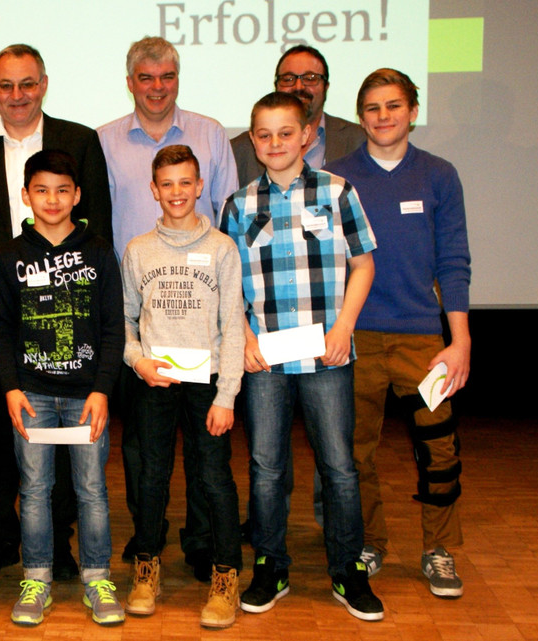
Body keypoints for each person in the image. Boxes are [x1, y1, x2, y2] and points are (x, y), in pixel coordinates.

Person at [0, 43, 112, 580]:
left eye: (27, 83)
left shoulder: (79, 140)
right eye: (5, 85)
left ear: (43, 84)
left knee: (61, 443)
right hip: (0, 318)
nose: (16, 95)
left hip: (66, 321)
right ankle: (1, 534)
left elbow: (99, 224)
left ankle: (57, 542)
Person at [219, 92, 383, 621]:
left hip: (327, 357)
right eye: (264, 135)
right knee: (266, 468)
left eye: (286, 133)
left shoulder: (338, 191)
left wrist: (344, 327)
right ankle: (270, 565)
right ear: (253, 140)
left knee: (339, 467)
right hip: (264, 361)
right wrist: (244, 337)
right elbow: (226, 284)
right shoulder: (239, 205)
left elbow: (363, 265)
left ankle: (347, 569)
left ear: (307, 135)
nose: (275, 143)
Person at [324, 69, 471, 598]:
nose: (383, 116)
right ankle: (369, 543)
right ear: (360, 116)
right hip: (354, 338)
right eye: (372, 107)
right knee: (353, 452)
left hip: (422, 342)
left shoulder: (439, 175)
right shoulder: (334, 178)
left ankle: (439, 549)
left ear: (412, 111)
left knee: (439, 450)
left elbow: (453, 260)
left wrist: (459, 340)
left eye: (393, 106)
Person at [98, 35, 237, 579]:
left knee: (208, 461)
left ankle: (203, 544)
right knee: (144, 455)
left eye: (167, 76)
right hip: (144, 319)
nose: (157, 87)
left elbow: (228, 212)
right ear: (130, 82)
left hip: (203, 321)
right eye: (146, 77)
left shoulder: (211, 133)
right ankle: (146, 541)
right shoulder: (104, 140)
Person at [0, 150, 125, 627]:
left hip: (87, 396)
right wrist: (11, 388)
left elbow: (113, 329)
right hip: (32, 396)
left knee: (91, 489)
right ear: (26, 196)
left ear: (77, 195)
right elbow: (0, 329)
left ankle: (97, 578)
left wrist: (102, 389)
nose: (52, 199)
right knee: (34, 489)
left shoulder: (99, 251)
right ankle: (37, 578)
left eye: (63, 190)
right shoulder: (10, 256)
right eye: (42, 190)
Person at [120, 145, 245, 628]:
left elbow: (232, 326)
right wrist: (138, 361)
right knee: (150, 476)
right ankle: (146, 569)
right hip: (155, 381)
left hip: (207, 385)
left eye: (185, 182)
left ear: (199, 186)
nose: (177, 192)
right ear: (154, 190)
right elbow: (125, 321)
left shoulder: (222, 249)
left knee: (213, 477)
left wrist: (226, 395)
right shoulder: (137, 250)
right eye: (167, 184)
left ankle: (225, 576)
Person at [232, 44, 365, 187]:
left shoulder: (359, 139)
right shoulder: (238, 149)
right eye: (288, 79)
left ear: (326, 86)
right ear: (276, 85)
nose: (299, 86)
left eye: (310, 78)